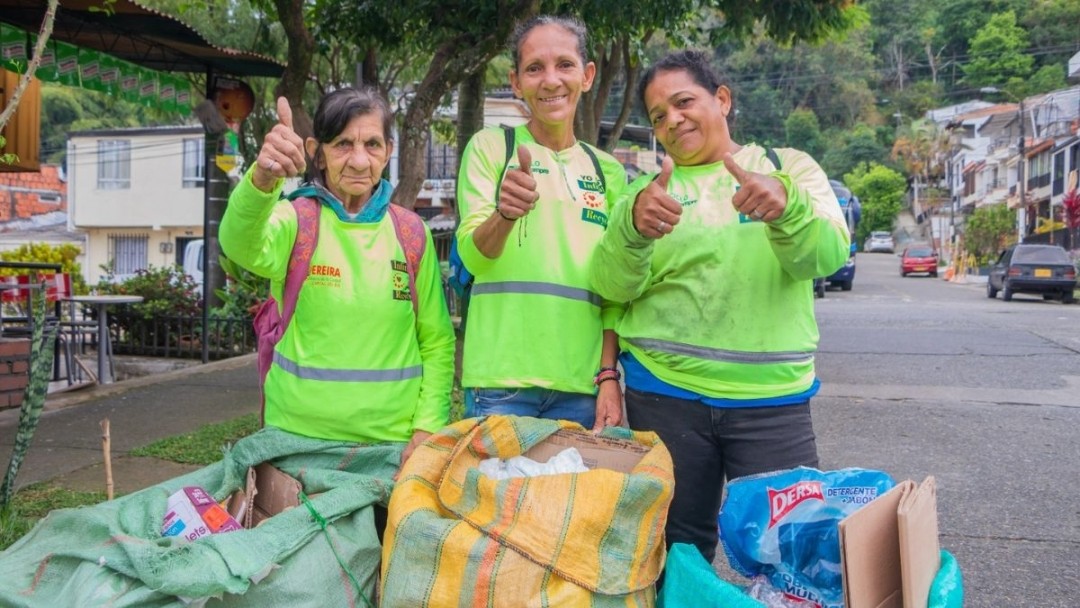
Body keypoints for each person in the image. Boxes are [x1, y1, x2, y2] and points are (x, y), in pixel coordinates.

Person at [589, 50, 850, 563]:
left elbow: (825, 256)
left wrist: (788, 208)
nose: (672, 121)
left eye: (683, 102)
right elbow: (609, 287)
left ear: (722, 99)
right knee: (672, 552)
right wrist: (632, 230)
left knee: (790, 552)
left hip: (772, 402)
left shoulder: (786, 168)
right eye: (658, 116)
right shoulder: (646, 192)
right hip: (664, 397)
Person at [220, 88, 456, 470]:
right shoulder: (297, 219)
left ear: (389, 150)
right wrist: (263, 178)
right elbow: (239, 244)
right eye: (344, 144)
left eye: (372, 144)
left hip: (390, 448)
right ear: (318, 150)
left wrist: (427, 428)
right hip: (295, 445)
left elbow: (437, 341)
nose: (360, 160)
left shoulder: (411, 233)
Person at [454, 15, 627, 431]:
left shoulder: (608, 172)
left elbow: (615, 293)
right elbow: (472, 257)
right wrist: (505, 214)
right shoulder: (492, 147)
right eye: (535, 68)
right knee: (498, 498)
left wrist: (608, 376)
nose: (551, 80)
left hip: (582, 386)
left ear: (587, 76)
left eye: (564, 65)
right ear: (516, 82)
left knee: (575, 498)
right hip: (501, 384)